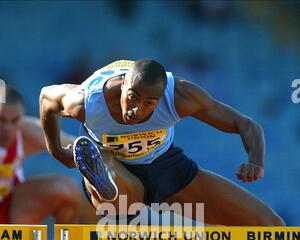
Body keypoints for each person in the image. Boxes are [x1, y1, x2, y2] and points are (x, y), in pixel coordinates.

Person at [39, 59, 285, 226]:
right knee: (110, 171)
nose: (136, 110)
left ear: (161, 98)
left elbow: (247, 125)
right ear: (123, 83)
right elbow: (46, 99)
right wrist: (57, 151)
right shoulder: (87, 102)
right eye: (132, 98)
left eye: (149, 104)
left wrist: (255, 160)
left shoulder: (180, 96)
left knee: (271, 226)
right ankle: (102, 178)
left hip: (165, 166)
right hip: (116, 168)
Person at [0, 85, 83, 225]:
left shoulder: (30, 132)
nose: (8, 129)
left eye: (14, 121)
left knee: (66, 188)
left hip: (10, 209)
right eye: (1, 120)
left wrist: (115, 151)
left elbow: (81, 146)